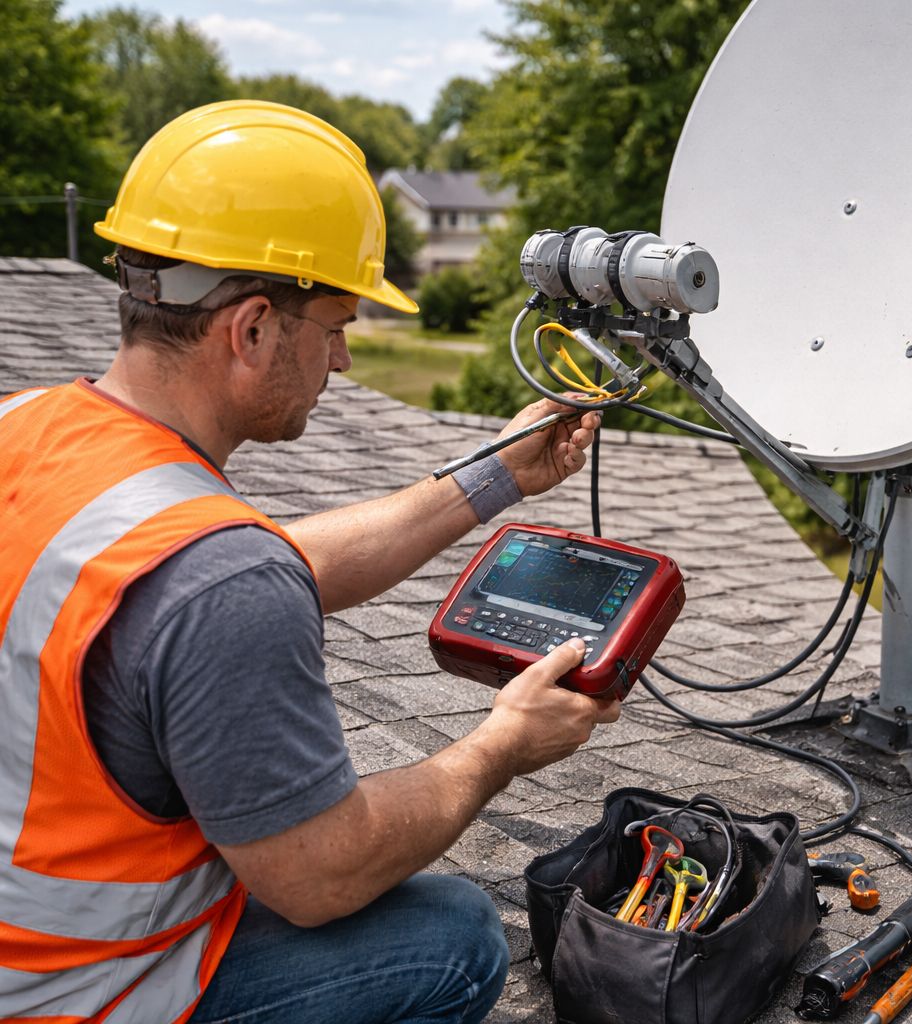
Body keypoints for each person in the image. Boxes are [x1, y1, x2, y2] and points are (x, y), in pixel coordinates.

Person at [0, 101, 618, 1023]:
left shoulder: (30, 425)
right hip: (71, 991)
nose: (343, 355)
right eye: (333, 324)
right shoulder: (217, 581)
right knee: (451, 936)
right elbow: (320, 878)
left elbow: (256, 575)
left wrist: (493, 479)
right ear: (250, 329)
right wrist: (500, 748)